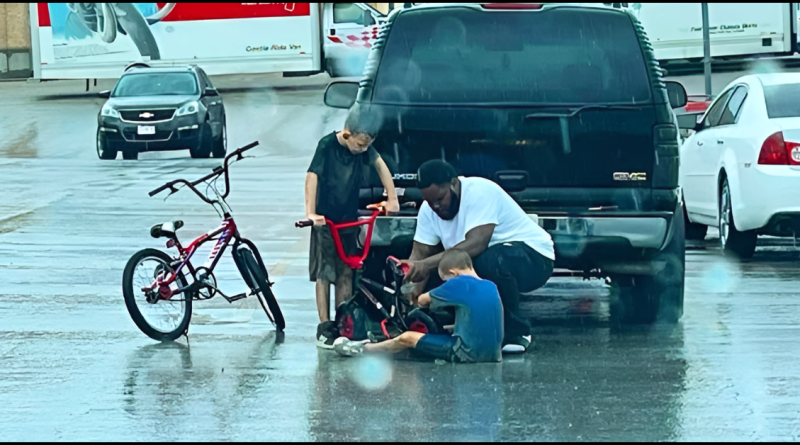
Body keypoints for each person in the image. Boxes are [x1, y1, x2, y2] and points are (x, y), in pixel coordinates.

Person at [402, 160, 555, 354]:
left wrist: (423, 264)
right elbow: (420, 254)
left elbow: (477, 243)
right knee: (441, 274)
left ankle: (517, 332)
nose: (436, 206)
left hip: (534, 258)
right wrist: (411, 295)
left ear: (454, 184)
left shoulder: (480, 191)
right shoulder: (428, 210)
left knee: (487, 261)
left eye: (441, 198)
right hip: (484, 259)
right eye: (430, 202)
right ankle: (450, 323)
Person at [306, 109, 399, 349]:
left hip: (348, 219)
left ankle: (343, 319)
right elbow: (312, 176)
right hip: (325, 220)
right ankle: (325, 325)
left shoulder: (366, 148)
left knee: (346, 272)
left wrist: (392, 198)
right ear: (347, 135)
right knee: (324, 273)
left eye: (366, 146)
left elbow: (381, 166)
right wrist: (311, 212)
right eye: (359, 145)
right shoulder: (327, 145)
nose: (362, 150)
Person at [333, 249, 503, 363]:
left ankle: (363, 349)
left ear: (453, 273)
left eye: (445, 279)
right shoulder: (491, 286)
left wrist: (415, 292)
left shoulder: (458, 283)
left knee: (408, 337)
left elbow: (422, 301)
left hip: (467, 353)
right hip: (494, 354)